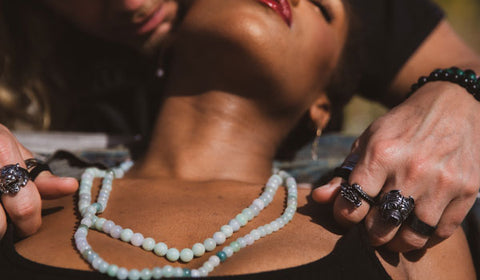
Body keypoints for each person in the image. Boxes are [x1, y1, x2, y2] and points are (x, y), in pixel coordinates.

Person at [0, 0, 476, 279]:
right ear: (168, 38)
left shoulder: (406, 236)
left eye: (320, 7)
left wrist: (460, 95)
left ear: (322, 106)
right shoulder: (21, 199)